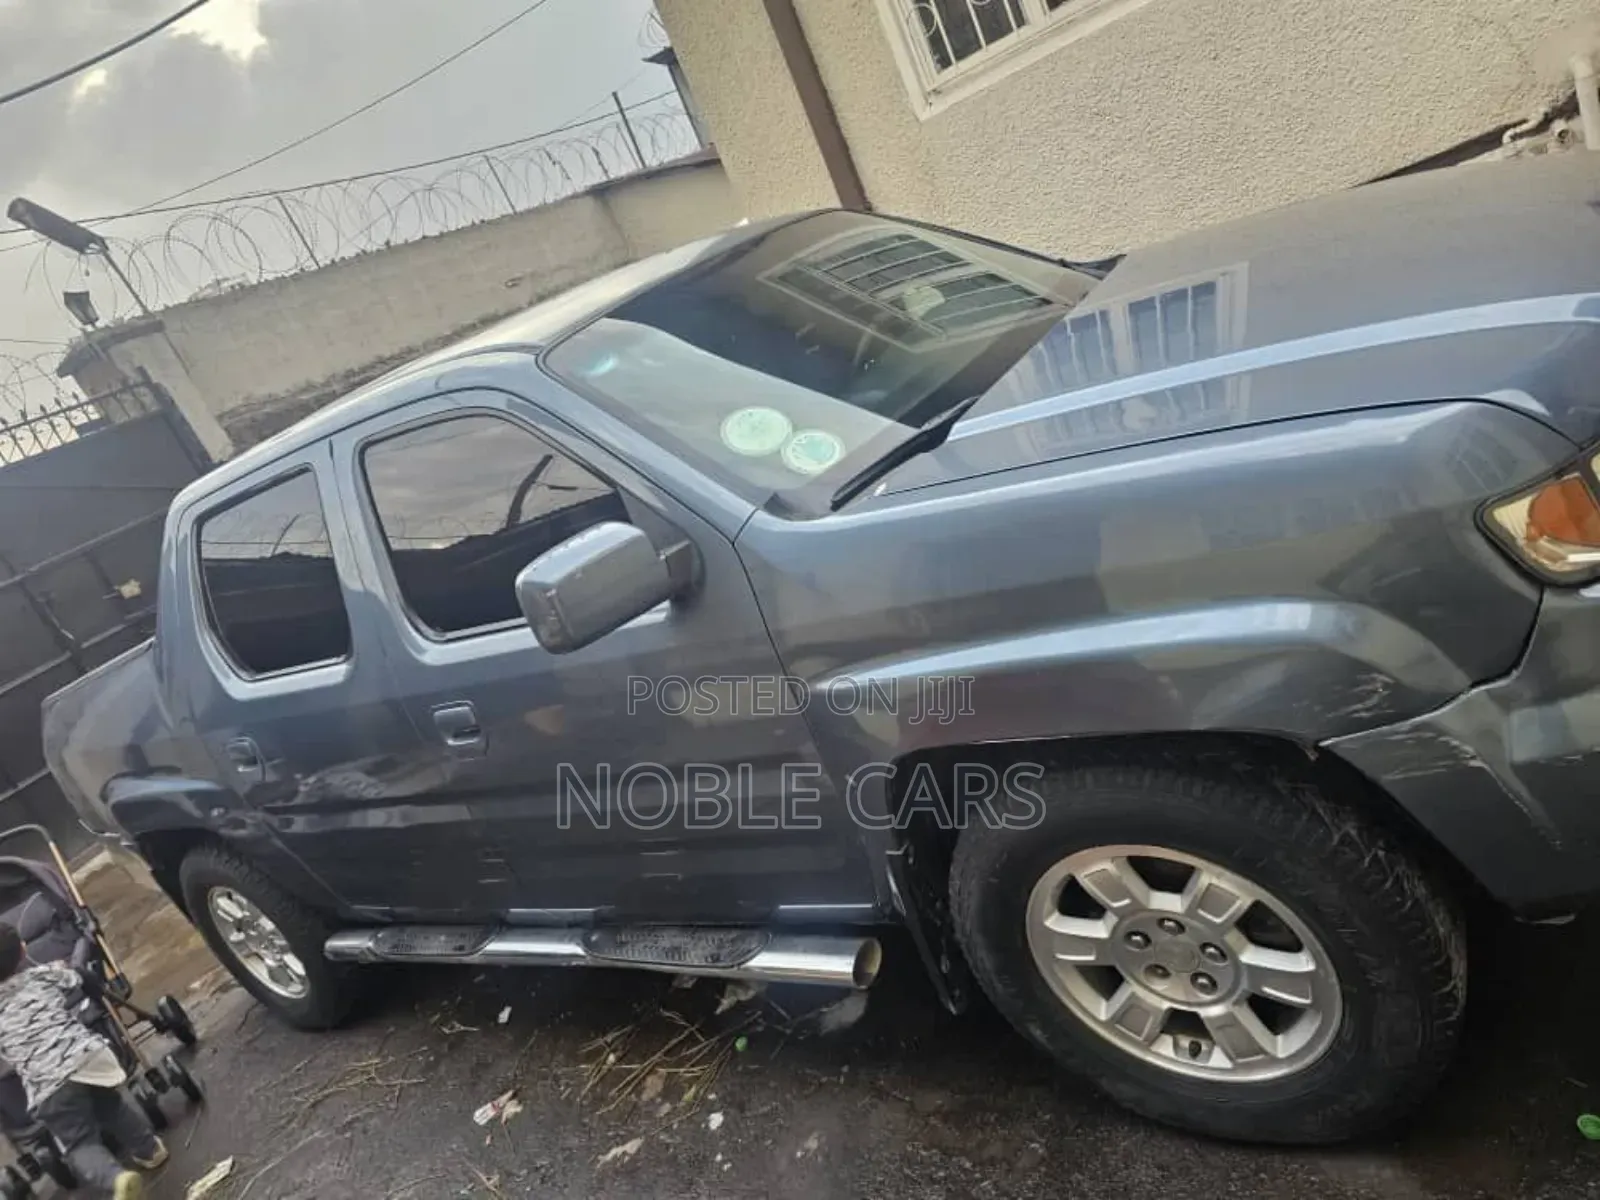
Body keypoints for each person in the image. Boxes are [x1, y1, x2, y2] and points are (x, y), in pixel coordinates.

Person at [0, 923, 165, 1199]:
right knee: (112, 1107)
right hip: (87, 1056)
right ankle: (150, 1150)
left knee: (78, 1143)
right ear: (22, 950)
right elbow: (79, 977)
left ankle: (116, 1178)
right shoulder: (43, 976)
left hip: (49, 1085)